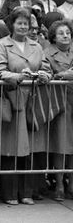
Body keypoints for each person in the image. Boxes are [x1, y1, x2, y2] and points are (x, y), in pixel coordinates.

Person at [0, 7, 52, 205]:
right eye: (19, 23)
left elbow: (46, 68)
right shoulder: (2, 45)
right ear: (12, 25)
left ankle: (27, 192)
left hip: (34, 102)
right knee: (12, 148)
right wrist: (18, 76)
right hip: (13, 99)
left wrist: (45, 76)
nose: (23, 27)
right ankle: (9, 194)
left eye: (26, 24)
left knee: (32, 149)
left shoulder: (36, 46)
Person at [44, 20, 73, 201]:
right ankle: (60, 184)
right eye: (61, 33)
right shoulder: (47, 53)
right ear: (53, 37)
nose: (66, 36)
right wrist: (62, 74)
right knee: (61, 145)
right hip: (60, 103)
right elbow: (46, 73)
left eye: (68, 33)